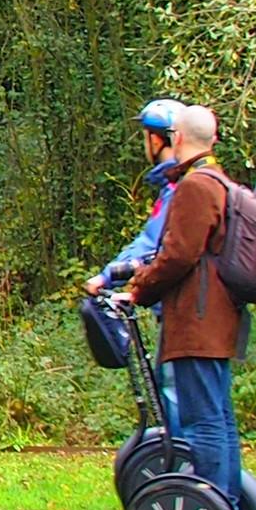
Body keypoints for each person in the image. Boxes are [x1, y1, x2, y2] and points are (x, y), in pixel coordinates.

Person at [127, 105, 252, 510]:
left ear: (175, 137)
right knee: (218, 418)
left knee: (204, 423)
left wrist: (139, 287)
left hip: (196, 323)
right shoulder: (220, 181)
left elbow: (177, 255)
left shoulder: (195, 187)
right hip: (216, 320)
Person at [85, 98, 185, 428]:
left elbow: (150, 245)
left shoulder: (178, 190)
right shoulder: (178, 185)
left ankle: (183, 473)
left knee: (175, 396)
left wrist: (106, 277)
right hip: (184, 310)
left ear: (156, 140)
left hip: (181, 313)